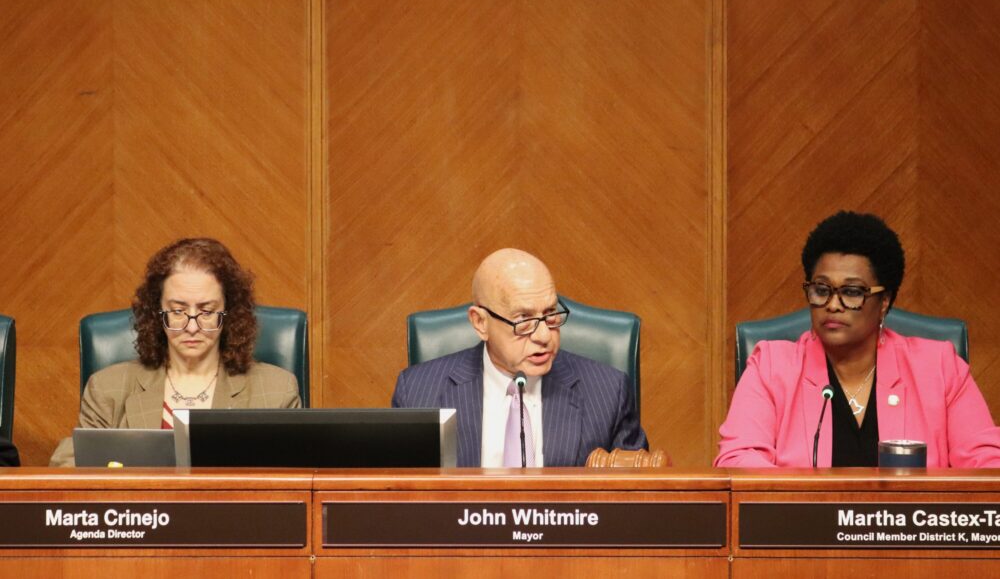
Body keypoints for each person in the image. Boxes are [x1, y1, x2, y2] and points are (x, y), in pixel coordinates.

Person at [715, 211, 1000, 468]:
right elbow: (738, 459)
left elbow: (987, 464)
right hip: (801, 513)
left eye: (852, 292)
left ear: (884, 301)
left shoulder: (939, 368)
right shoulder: (771, 367)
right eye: (821, 289)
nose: (833, 305)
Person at [50, 238, 301, 466]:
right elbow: (67, 467)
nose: (192, 327)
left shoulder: (276, 391)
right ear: (156, 312)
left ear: (229, 313)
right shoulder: (108, 389)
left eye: (206, 311)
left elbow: (298, 482)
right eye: (178, 311)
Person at [392, 248, 647, 467]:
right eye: (523, 320)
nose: (544, 336)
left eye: (551, 314)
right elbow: (399, 498)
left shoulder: (608, 393)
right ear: (480, 322)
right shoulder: (418, 394)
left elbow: (638, 497)